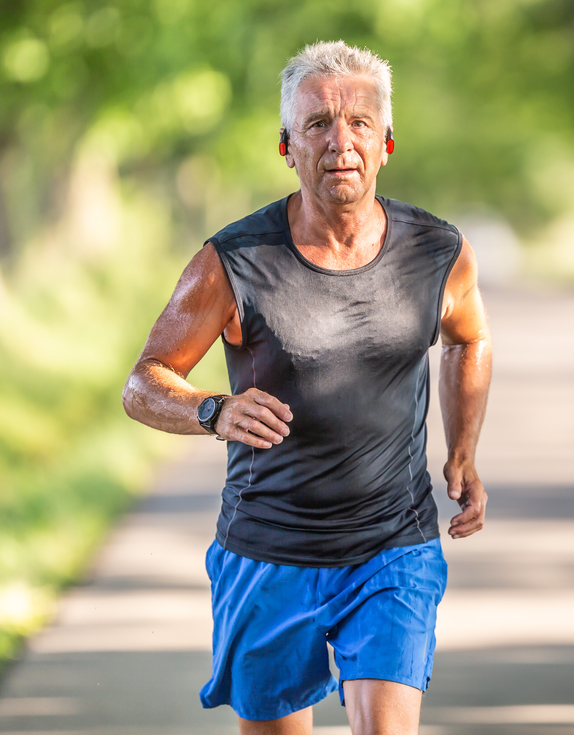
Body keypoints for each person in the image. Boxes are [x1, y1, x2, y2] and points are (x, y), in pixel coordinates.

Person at [122, 40, 491, 735]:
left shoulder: (437, 253)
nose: (339, 141)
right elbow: (142, 382)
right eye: (317, 124)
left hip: (393, 545)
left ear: (386, 143)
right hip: (267, 552)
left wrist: (463, 452)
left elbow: (469, 337)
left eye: (357, 123)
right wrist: (213, 408)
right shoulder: (233, 261)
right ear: (287, 146)